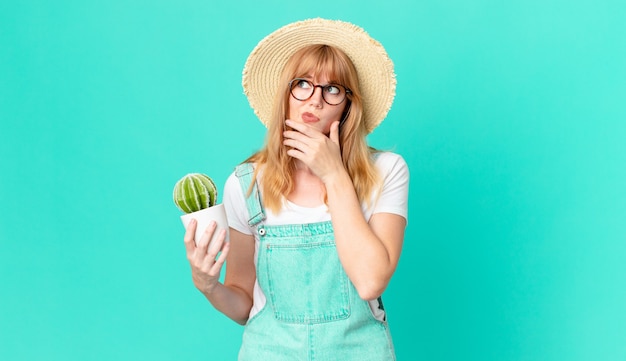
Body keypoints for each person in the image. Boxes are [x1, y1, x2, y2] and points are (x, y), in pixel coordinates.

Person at [183, 18, 409, 360]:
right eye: (302, 84)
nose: (314, 100)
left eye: (332, 88)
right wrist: (208, 286)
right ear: (285, 96)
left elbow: (370, 282)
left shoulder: (387, 171)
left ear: (348, 104)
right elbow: (244, 304)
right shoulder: (246, 185)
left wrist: (334, 175)